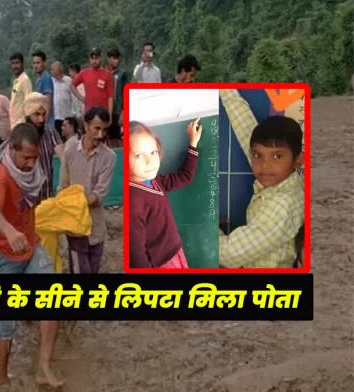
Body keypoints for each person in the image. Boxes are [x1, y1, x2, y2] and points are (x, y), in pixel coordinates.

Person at [0, 122, 64, 389]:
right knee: (7, 323)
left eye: (34, 157)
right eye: (25, 158)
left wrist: (22, 234)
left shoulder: (34, 169)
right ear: (12, 150)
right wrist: (9, 231)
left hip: (29, 246)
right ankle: (2, 379)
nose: (30, 163)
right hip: (2, 252)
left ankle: (43, 367)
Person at [218, 89, 304, 268]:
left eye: (277, 156)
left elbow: (226, 255)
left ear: (298, 160)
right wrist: (226, 91)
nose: (265, 165)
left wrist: (205, 228)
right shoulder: (280, 176)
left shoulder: (281, 205)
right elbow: (246, 130)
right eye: (257, 155)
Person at [58, 107, 116, 344]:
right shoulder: (70, 149)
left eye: (104, 129)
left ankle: (67, 317)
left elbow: (98, 196)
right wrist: (67, 207)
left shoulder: (109, 158)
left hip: (96, 229)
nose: (100, 134)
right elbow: (62, 186)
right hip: (75, 230)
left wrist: (73, 202)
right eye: (96, 128)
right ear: (85, 124)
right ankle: (68, 324)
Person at [127, 120, 202, 268]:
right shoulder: (133, 201)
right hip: (161, 264)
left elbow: (184, 177)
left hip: (175, 253)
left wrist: (193, 142)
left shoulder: (155, 181)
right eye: (139, 155)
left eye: (153, 152)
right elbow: (136, 254)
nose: (150, 161)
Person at [19, 92, 64, 204]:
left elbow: (65, 158)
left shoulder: (50, 133)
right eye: (37, 115)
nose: (41, 119)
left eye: (43, 115)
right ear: (28, 115)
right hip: (25, 198)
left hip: (46, 197)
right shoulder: (18, 135)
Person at [70, 48, 114, 116]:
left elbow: (110, 97)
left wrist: (110, 115)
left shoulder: (107, 74)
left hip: (103, 110)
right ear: (89, 59)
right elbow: (72, 85)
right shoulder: (84, 73)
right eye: (92, 58)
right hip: (89, 109)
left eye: (96, 58)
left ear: (100, 58)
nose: (94, 61)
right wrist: (82, 99)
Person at [107, 48, 128, 144]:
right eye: (113, 58)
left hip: (118, 109)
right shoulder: (104, 72)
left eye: (117, 58)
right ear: (108, 59)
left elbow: (126, 92)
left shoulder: (122, 73)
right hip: (106, 108)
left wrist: (124, 111)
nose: (115, 61)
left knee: (117, 137)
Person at [50, 61, 76, 137]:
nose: (51, 71)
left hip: (67, 116)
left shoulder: (69, 81)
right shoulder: (51, 82)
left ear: (59, 69)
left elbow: (74, 98)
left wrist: (75, 114)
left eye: (53, 69)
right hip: (55, 117)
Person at [32, 51, 55, 129]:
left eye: (38, 63)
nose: (36, 66)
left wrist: (44, 123)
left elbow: (47, 101)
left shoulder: (46, 78)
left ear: (44, 63)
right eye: (34, 63)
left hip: (47, 123)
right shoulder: (39, 79)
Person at [9, 52, 32, 127]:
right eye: (13, 63)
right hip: (14, 123)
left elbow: (29, 103)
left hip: (21, 123)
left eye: (17, 63)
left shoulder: (25, 80)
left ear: (23, 64)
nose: (15, 66)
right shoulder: (16, 81)